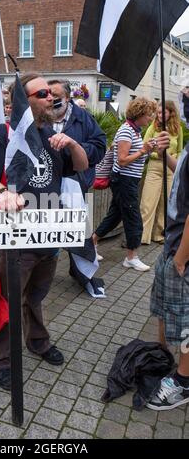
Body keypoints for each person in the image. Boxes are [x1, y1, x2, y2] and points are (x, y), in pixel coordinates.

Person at [0, 73, 89, 390]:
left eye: (53, 93)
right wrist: (0, 193)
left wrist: (73, 143)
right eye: (43, 93)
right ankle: (1, 359)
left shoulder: (53, 135)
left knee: (35, 297)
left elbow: (80, 166)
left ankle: (37, 342)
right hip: (15, 240)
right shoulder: (5, 133)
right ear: (26, 100)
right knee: (6, 301)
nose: (52, 97)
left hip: (48, 240)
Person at [92, 97, 170, 271]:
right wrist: (143, 150)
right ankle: (131, 257)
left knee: (115, 215)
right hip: (124, 180)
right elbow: (122, 160)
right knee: (133, 218)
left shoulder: (134, 131)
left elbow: (131, 156)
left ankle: (92, 243)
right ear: (139, 114)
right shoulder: (127, 131)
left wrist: (145, 149)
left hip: (127, 180)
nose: (151, 118)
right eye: (149, 115)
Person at [147, 137, 189, 411]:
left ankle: (183, 381)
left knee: (185, 320)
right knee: (166, 309)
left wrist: (181, 257)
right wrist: (166, 157)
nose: (185, 94)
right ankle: (166, 359)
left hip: (181, 252)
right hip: (173, 243)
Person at [47, 79, 106, 189]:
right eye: (47, 94)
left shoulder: (84, 118)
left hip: (77, 186)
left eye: (55, 95)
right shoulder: (39, 117)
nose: (50, 99)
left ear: (67, 97)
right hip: (46, 186)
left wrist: (76, 148)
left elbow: (99, 148)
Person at [140, 101, 183, 244]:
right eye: (158, 112)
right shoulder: (152, 128)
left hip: (170, 170)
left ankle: (159, 235)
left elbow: (179, 150)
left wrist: (175, 157)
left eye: (163, 112)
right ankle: (143, 236)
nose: (159, 115)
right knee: (148, 202)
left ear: (170, 112)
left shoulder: (177, 129)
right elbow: (144, 148)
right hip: (154, 168)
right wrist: (157, 154)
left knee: (166, 204)